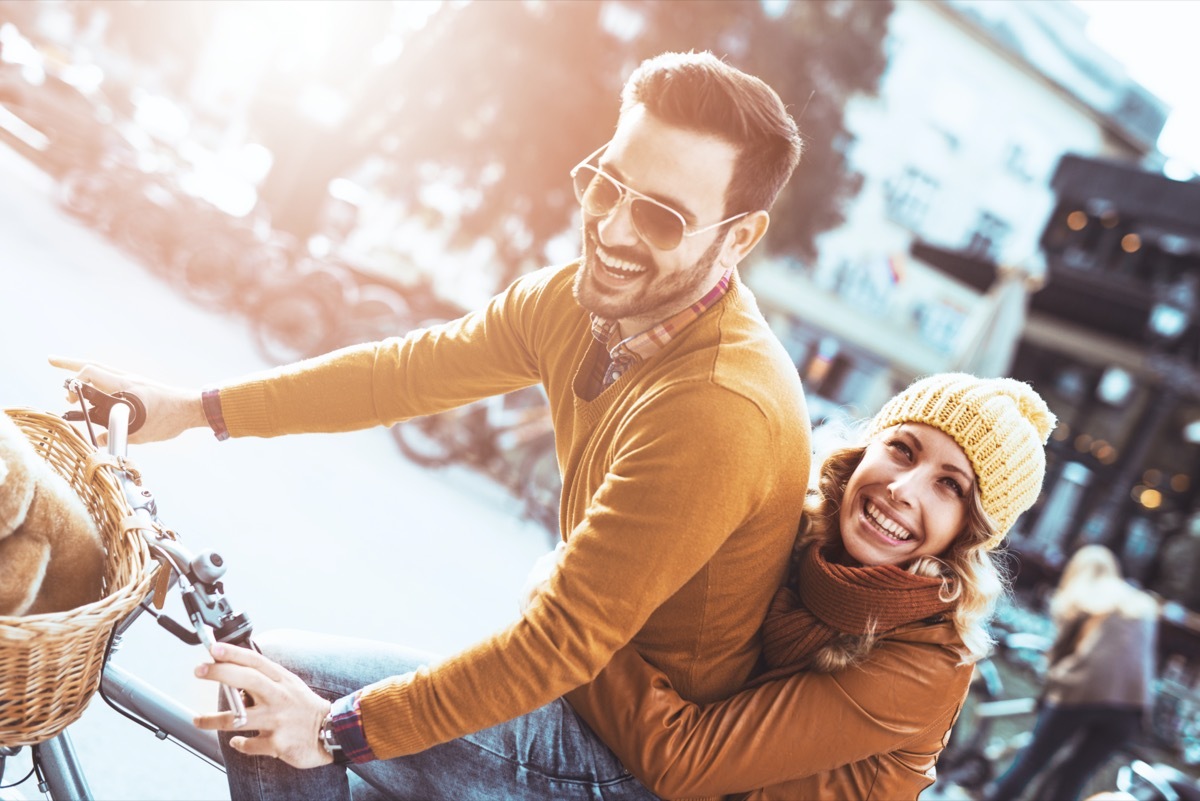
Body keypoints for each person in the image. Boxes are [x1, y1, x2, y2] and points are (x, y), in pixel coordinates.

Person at [52, 50, 810, 799]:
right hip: (580, 697)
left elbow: (555, 643)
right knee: (282, 692)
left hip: (630, 763)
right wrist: (191, 409)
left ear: (738, 237)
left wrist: (330, 729)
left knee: (273, 688)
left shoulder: (720, 408)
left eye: (661, 215)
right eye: (607, 183)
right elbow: (402, 373)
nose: (611, 228)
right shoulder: (575, 303)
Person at [563, 372, 1057, 799]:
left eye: (949, 486)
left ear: (967, 533)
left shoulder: (929, 660)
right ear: (866, 450)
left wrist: (564, 621)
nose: (902, 490)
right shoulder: (790, 533)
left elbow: (684, 760)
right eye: (902, 450)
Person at [983, 544, 1159, 801]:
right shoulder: (1142, 605)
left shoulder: (1084, 599)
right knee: (1075, 777)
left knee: (1033, 760)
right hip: (1131, 707)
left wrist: (1049, 688)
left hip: (1081, 692)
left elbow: (1061, 655)